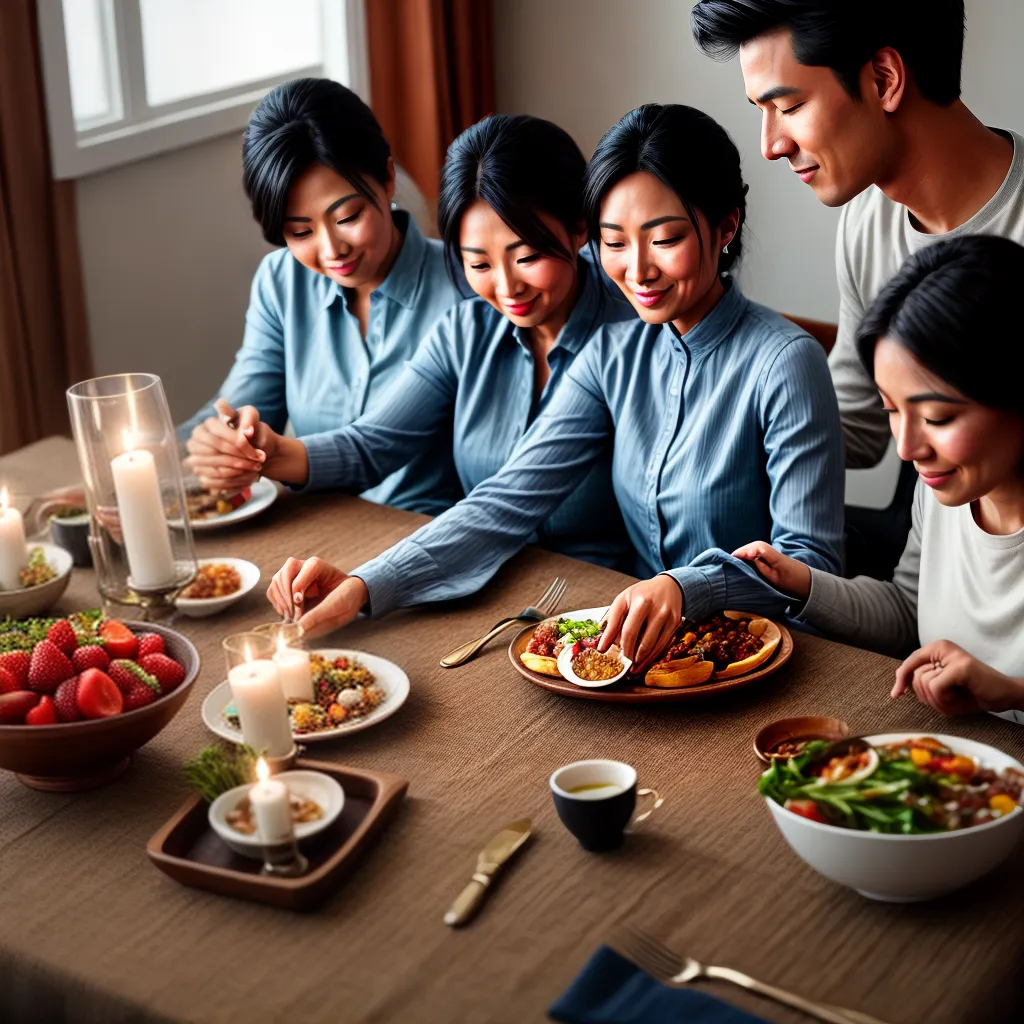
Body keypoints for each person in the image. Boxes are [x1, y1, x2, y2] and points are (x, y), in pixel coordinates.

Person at [265, 104, 845, 668]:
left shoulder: (786, 362)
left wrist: (689, 587)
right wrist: (367, 583)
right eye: (615, 242)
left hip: (768, 657)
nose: (637, 270)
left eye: (664, 239)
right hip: (647, 658)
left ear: (725, 226)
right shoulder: (613, 353)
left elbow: (811, 563)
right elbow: (506, 499)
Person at [183, 115, 634, 568]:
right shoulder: (468, 327)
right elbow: (374, 444)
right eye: (479, 265)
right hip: (484, 573)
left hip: (602, 587)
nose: (507, 287)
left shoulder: (633, 335)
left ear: (580, 229)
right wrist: (273, 452)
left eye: (528, 256)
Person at [691, 0, 1024, 578]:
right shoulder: (868, 223)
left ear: (884, 79)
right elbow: (860, 426)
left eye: (788, 106)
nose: (770, 144)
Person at [733, 236, 1024, 726]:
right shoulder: (944, 493)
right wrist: (803, 584)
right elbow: (907, 611)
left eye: (936, 417)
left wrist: (1012, 691)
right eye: (891, 410)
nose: (907, 449)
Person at [181, 77, 464, 515]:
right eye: (301, 231)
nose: (333, 250)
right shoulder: (281, 280)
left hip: (426, 534)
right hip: (308, 528)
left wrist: (277, 454)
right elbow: (244, 405)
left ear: (387, 179)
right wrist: (211, 444)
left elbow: (378, 446)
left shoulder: (466, 288)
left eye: (347, 216)